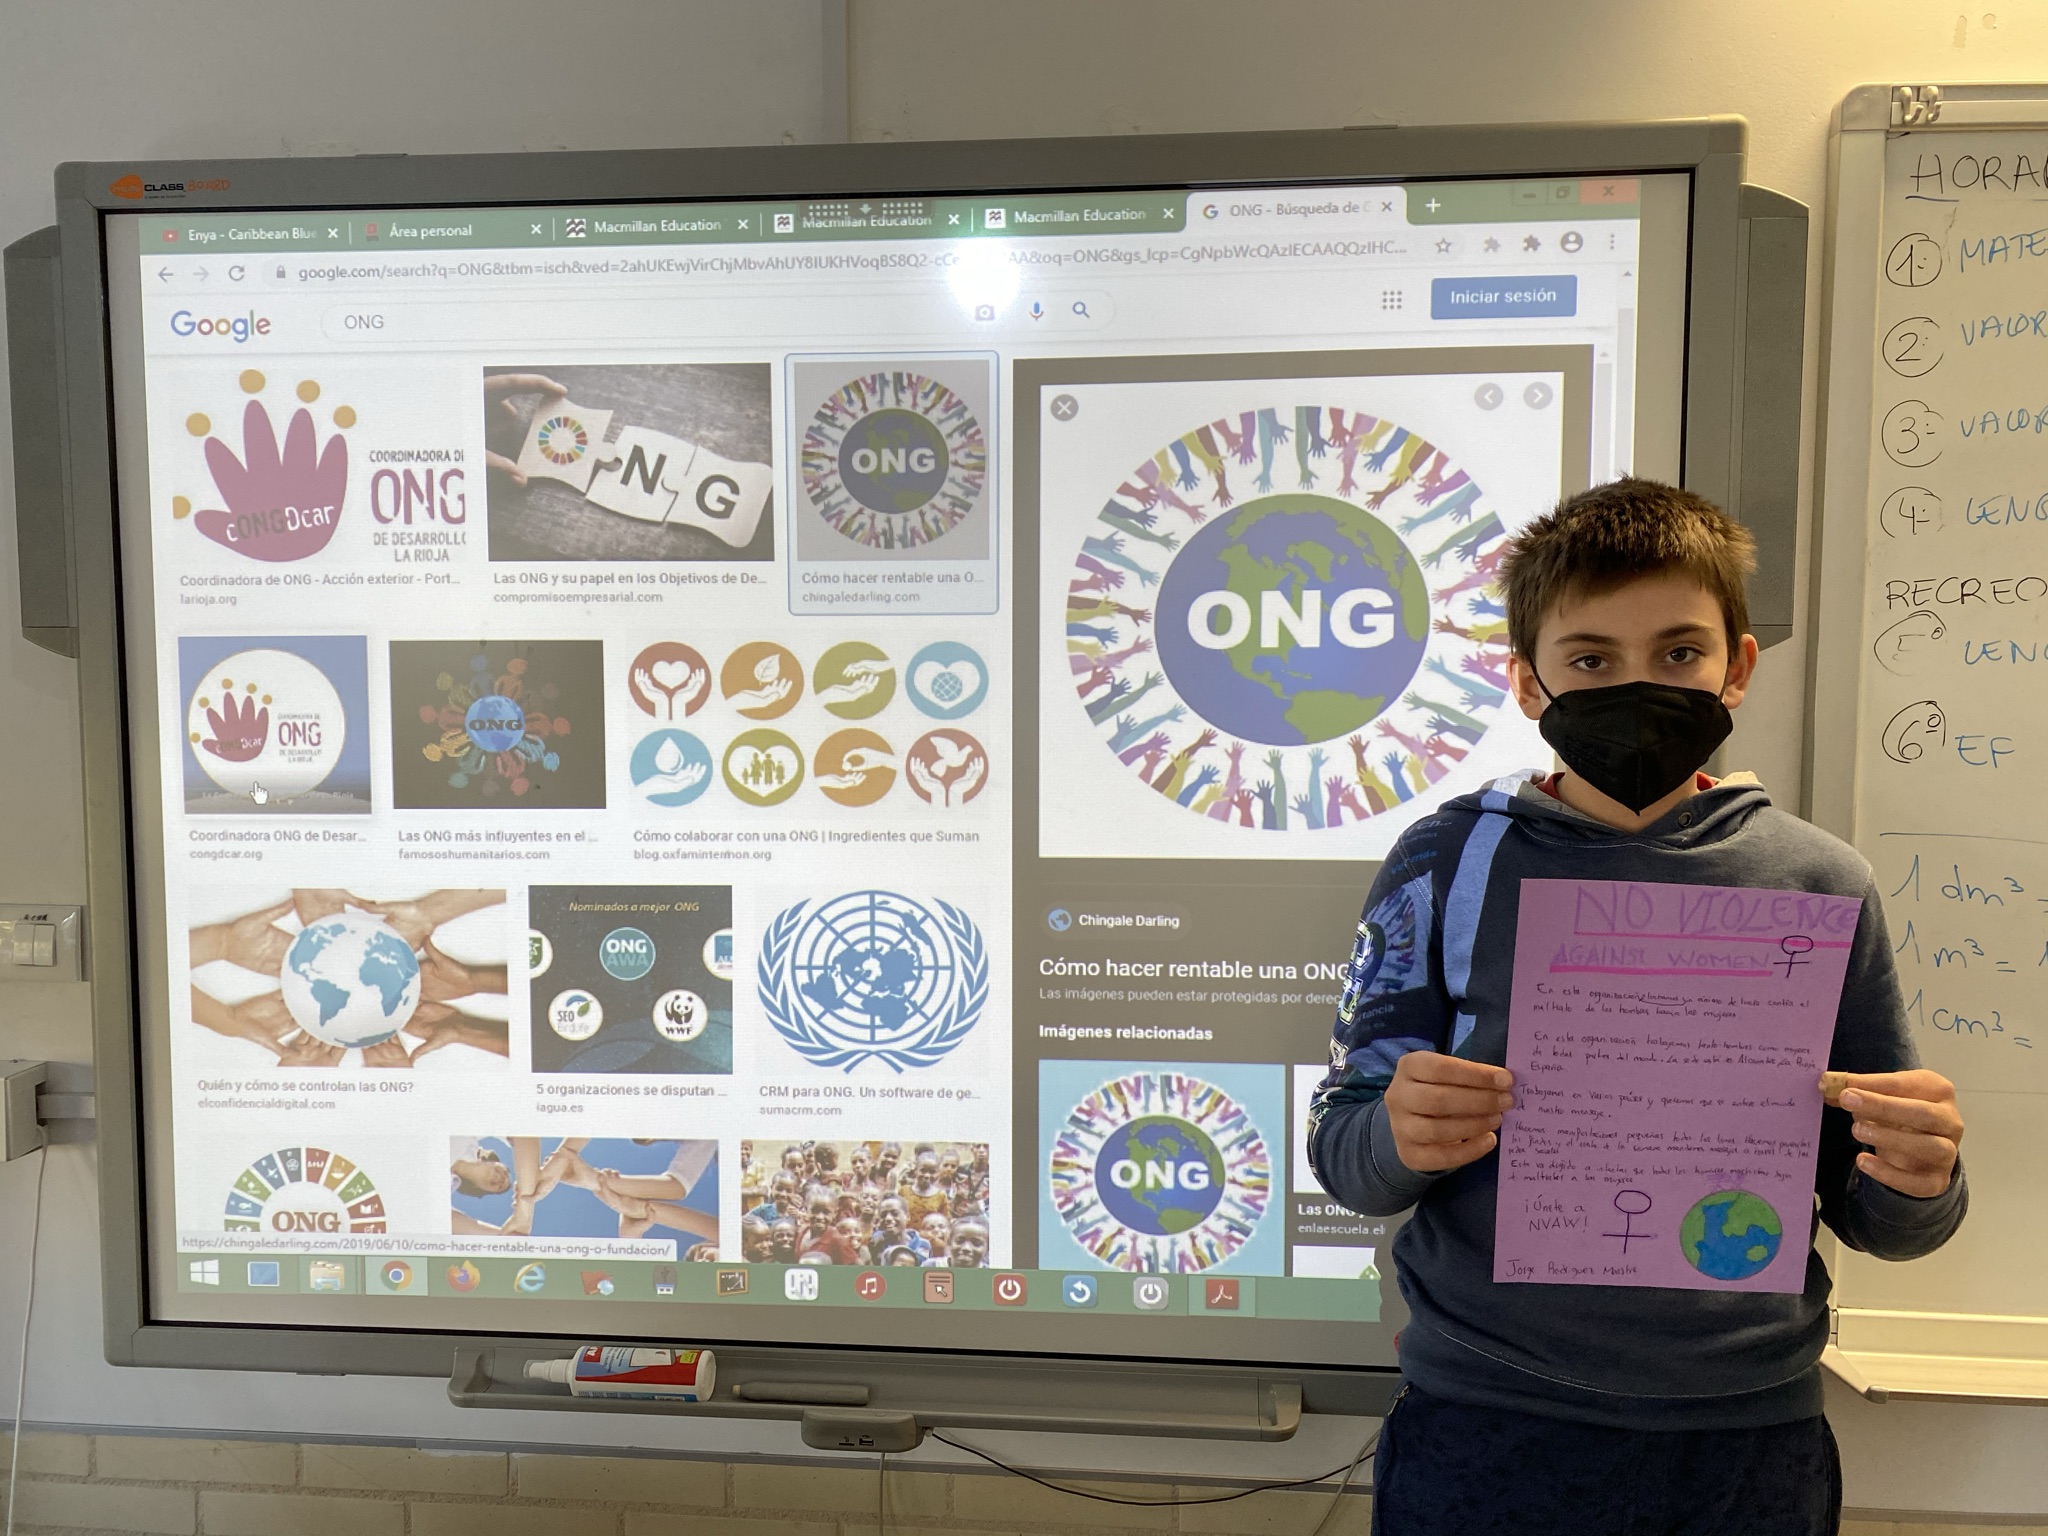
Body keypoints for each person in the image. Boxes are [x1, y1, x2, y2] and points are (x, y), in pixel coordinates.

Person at [1305, 480, 1967, 1536]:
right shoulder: (1444, 860)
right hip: (1487, 1422)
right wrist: (1395, 1134)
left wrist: (1918, 1177)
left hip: (1744, 1439)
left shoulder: (1820, 881)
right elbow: (1345, 1153)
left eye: (1678, 652)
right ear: (1527, 682)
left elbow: (1879, 1213)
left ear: (1735, 667)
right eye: (1590, 660)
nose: (1637, 686)